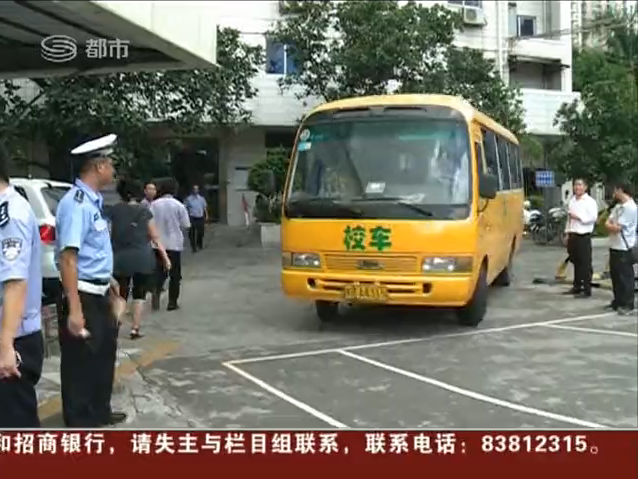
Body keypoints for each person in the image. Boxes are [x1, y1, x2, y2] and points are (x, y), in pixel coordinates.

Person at [55, 133, 126, 427]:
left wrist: (108, 279)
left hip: (99, 291)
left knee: (103, 356)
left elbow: (91, 251)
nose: (113, 170)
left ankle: (99, 412)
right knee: (80, 363)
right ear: (99, 166)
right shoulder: (76, 204)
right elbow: (68, 258)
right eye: (111, 164)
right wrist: (75, 310)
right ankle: (80, 423)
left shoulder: (92, 202)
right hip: (82, 295)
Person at [0, 144, 44, 428]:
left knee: (14, 430)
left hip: (12, 339)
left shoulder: (11, 214)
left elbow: (15, 282)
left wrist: (5, 347)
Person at [109, 179, 171, 338]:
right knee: (139, 294)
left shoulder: (114, 210)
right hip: (142, 258)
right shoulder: (144, 211)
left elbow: (106, 233)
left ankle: (115, 324)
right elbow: (155, 237)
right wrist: (165, 257)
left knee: (120, 293)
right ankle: (135, 328)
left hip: (119, 258)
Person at [150, 178, 190, 311]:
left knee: (159, 272)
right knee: (175, 275)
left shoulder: (154, 205)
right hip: (174, 244)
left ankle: (156, 291)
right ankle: (172, 302)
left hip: (157, 244)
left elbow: (149, 222)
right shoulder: (179, 205)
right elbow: (186, 224)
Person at [605, 182, 638, 315]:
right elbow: (608, 222)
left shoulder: (631, 207)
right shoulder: (618, 207)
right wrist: (610, 225)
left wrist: (611, 225)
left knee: (625, 277)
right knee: (616, 276)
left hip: (625, 246)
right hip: (614, 245)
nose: (614, 193)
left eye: (615, 190)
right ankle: (618, 301)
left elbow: (617, 227)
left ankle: (628, 303)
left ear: (620, 190)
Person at [563, 178, 599, 298]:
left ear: (585, 187)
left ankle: (587, 289)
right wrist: (567, 233)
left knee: (585, 263)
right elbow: (569, 219)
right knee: (575, 261)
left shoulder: (590, 202)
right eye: (576, 185)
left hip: (583, 234)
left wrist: (578, 217)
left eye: (580, 185)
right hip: (573, 234)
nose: (577, 187)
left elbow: (593, 217)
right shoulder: (572, 200)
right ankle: (577, 286)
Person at [184, 185, 208, 253]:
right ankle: (193, 247)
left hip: (200, 217)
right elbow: (185, 208)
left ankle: (199, 243)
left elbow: (204, 207)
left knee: (201, 232)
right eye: (194, 189)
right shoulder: (188, 199)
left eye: (197, 189)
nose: (195, 190)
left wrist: (207, 215)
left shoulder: (201, 199)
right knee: (192, 233)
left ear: (198, 190)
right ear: (192, 190)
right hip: (192, 217)